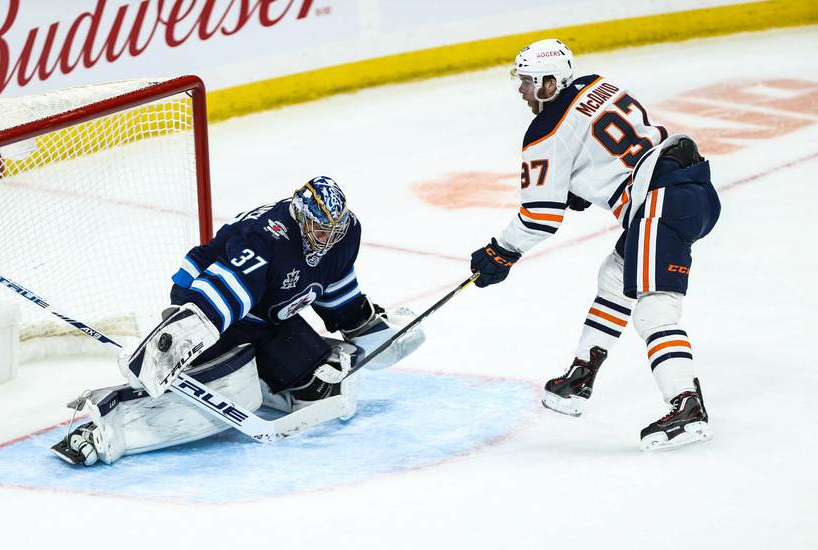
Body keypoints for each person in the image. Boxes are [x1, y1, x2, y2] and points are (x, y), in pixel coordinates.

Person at [52, 176, 425, 465]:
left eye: (335, 229)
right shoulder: (267, 237)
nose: (327, 239)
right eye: (320, 229)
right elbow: (227, 291)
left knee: (324, 385)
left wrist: (363, 323)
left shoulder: (345, 234)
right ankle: (109, 425)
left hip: (267, 314)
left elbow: (332, 283)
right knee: (235, 391)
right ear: (300, 215)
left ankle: (261, 376)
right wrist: (183, 336)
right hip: (207, 299)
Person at [469, 39, 720, 452]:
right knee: (616, 275)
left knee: (654, 306)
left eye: (529, 83)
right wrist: (584, 185)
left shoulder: (545, 131)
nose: (521, 91)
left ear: (551, 83)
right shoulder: (594, 84)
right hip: (688, 184)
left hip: (659, 201)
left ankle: (686, 403)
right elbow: (612, 147)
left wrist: (501, 250)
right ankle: (580, 377)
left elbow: (539, 218)